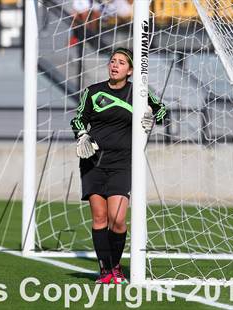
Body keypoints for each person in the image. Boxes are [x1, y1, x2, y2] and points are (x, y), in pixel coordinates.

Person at [70, 47, 166, 284]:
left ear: (130, 70)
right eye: (113, 61)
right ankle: (105, 271)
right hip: (93, 161)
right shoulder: (92, 92)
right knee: (100, 217)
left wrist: (151, 116)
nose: (115, 65)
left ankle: (115, 266)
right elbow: (78, 117)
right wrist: (82, 134)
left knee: (118, 219)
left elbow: (163, 112)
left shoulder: (139, 93)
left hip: (123, 163)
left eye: (121, 63)